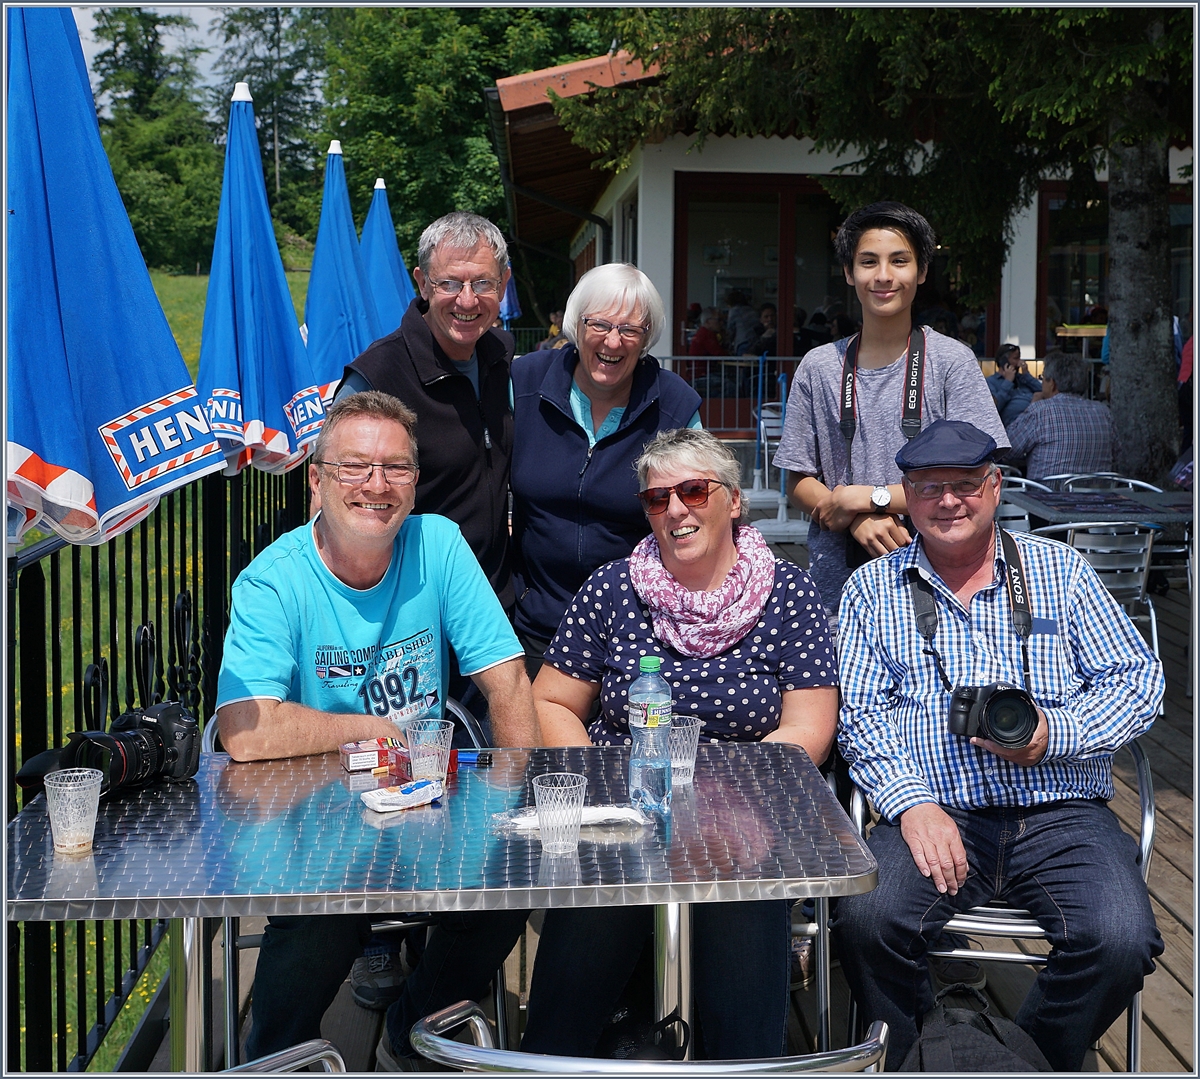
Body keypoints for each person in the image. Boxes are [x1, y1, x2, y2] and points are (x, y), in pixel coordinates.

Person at [215, 391, 539, 1069]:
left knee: (511, 885)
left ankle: (415, 1024)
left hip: (426, 809)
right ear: (317, 478)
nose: (376, 484)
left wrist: (515, 807)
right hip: (311, 823)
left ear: (415, 483)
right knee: (323, 919)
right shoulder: (271, 582)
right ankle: (277, 1056)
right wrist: (366, 725)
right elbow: (244, 733)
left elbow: (506, 680)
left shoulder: (438, 544)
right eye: (355, 466)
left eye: (395, 468)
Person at [832, 419, 1164, 1071]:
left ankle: (1010, 1057)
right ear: (906, 493)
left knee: (1121, 939)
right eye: (929, 487)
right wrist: (910, 803)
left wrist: (1053, 733)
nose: (948, 500)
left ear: (996, 485)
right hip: (935, 811)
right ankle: (915, 1058)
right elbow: (861, 717)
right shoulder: (872, 589)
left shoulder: (1059, 571)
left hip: (1061, 810)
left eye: (964, 484)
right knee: (869, 921)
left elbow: (1141, 681)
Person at [521, 429, 838, 1059]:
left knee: (744, 911)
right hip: (626, 807)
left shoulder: (789, 592)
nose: (674, 509)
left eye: (693, 490)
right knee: (592, 919)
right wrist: (603, 786)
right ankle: (558, 1057)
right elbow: (551, 701)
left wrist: (728, 805)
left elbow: (810, 726)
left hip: (749, 813)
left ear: (734, 501)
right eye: (656, 498)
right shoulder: (614, 588)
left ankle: (739, 1062)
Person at [772, 201, 1007, 622]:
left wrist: (865, 498)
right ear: (848, 273)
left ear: (921, 272)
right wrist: (854, 519)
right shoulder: (820, 365)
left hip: (943, 579)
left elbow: (978, 479)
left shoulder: (951, 362)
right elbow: (797, 480)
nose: (883, 276)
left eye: (899, 261)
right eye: (868, 262)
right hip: (838, 587)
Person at [510, 263, 701, 674]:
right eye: (600, 324)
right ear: (576, 324)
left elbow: (705, 508)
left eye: (630, 330)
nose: (613, 341)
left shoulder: (675, 404)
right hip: (533, 625)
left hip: (636, 630)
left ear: (646, 338)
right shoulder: (523, 383)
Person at [336, 212, 515, 611]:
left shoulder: (500, 358)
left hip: (493, 603)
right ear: (422, 283)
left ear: (503, 284)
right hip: (407, 608)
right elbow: (331, 499)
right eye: (449, 283)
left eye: (483, 283)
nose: (467, 300)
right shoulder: (376, 375)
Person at [1005, 350, 1115, 483]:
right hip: (1096, 499)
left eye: (1042, 378)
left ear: (1052, 383)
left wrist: (1031, 406)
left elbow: (1007, 448)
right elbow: (1116, 454)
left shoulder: (1040, 411)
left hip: (1046, 499)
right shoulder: (1104, 412)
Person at [986, 343, 1042, 427]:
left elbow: (1045, 390)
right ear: (1003, 361)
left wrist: (1027, 375)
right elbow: (993, 408)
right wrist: (1008, 382)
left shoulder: (1023, 379)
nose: (1019, 362)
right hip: (1013, 426)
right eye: (1016, 359)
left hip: (1037, 422)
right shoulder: (991, 382)